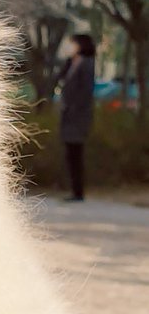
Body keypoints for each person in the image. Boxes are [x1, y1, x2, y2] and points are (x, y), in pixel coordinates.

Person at [57, 34, 96, 202]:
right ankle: (74, 190)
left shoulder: (87, 64)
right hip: (68, 116)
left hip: (78, 118)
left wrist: (74, 109)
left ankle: (78, 191)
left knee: (76, 154)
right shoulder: (71, 63)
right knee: (70, 154)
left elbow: (85, 92)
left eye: (72, 43)